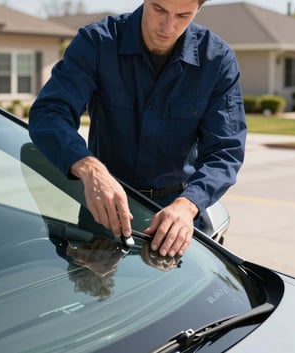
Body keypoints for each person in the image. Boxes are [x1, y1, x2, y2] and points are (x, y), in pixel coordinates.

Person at [29, 0, 247, 258]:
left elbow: (225, 150)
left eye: (183, 15)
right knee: (93, 294)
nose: (168, 26)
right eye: (159, 10)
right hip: (102, 209)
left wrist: (188, 205)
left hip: (175, 217)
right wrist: (91, 169)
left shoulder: (217, 60)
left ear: (198, 9)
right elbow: (50, 113)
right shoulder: (97, 43)